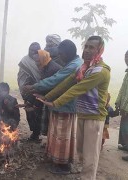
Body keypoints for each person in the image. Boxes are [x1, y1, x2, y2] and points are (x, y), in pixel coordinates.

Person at [36, 36, 110, 180]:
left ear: (99, 50)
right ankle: (85, 175)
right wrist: (47, 96)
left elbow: (77, 88)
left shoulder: (101, 71)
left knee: (90, 155)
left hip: (94, 117)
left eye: (91, 47)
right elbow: (67, 82)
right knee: (81, 151)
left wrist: (55, 103)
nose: (87, 50)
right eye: (86, 46)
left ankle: (88, 177)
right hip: (82, 114)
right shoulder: (84, 68)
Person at [28, 40, 82, 174]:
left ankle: (63, 165)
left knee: (62, 137)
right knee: (58, 135)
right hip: (60, 104)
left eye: (61, 54)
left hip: (65, 105)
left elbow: (55, 80)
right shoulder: (73, 63)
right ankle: (57, 160)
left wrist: (35, 87)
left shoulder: (73, 66)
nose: (60, 57)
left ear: (67, 53)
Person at [17, 42, 43, 142]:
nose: (34, 52)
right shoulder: (25, 60)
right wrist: (24, 87)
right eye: (31, 50)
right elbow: (21, 76)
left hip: (40, 90)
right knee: (29, 112)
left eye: (36, 51)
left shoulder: (42, 60)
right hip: (27, 91)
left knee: (38, 113)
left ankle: (37, 133)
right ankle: (34, 133)